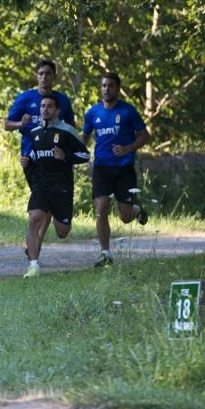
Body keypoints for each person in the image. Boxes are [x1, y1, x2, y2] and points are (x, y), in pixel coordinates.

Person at [82, 72, 151, 267]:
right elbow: (85, 137)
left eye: (110, 85)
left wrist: (128, 148)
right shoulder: (92, 113)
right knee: (101, 207)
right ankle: (105, 254)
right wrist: (78, 153)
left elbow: (145, 136)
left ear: (118, 89)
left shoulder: (128, 111)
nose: (106, 89)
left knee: (125, 216)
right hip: (102, 168)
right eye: (103, 85)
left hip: (124, 169)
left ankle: (136, 210)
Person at [5, 60, 75, 252]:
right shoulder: (25, 99)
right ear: (37, 76)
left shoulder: (63, 101)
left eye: (48, 74)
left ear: (54, 77)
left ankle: (37, 242)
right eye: (41, 73)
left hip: (55, 160)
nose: (44, 77)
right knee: (42, 199)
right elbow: (7, 124)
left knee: (46, 200)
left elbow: (71, 130)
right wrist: (21, 123)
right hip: (31, 159)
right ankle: (36, 242)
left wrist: (67, 155)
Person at [20, 95, 89, 277]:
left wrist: (65, 156)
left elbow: (85, 155)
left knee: (62, 232)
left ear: (57, 110)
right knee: (34, 218)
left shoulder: (67, 131)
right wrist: (27, 160)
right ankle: (33, 265)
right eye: (42, 106)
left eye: (49, 106)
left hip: (62, 187)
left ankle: (53, 215)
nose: (45, 109)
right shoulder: (34, 132)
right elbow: (35, 155)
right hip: (41, 185)